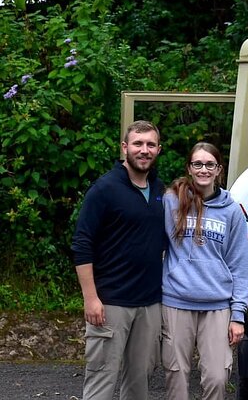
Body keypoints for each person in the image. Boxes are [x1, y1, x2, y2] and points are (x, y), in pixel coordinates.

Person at [71, 120, 165, 399]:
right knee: (101, 381)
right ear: (125, 147)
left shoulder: (160, 189)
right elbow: (81, 244)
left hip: (149, 303)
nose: (144, 150)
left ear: (158, 149)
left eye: (150, 144)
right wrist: (91, 298)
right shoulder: (104, 189)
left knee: (140, 382)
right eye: (137, 143)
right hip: (110, 303)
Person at [161, 142, 248, 400]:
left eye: (209, 164)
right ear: (189, 168)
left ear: (218, 169)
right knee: (175, 376)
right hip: (177, 301)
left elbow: (240, 266)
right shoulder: (171, 201)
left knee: (217, 377)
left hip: (217, 305)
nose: (203, 169)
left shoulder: (232, 211)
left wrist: (238, 315)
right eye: (197, 164)